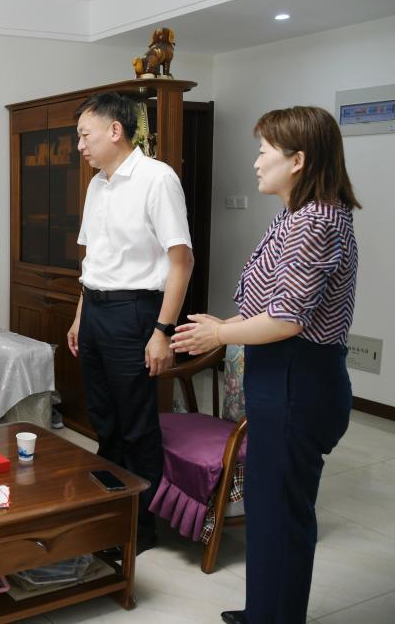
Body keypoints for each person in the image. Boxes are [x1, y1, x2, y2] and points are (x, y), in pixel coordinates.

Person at [170, 106, 360, 624]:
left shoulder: (316, 222)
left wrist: (218, 334)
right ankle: (263, 612)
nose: (256, 162)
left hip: (299, 376)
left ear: (298, 160)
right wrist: (226, 324)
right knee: (269, 507)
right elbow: (270, 305)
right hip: (284, 374)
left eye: (264, 151)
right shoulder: (298, 215)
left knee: (282, 513)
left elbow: (286, 320)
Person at [66, 92, 194, 555]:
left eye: (85, 135)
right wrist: (80, 316)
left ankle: (141, 528)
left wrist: (162, 332)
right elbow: (95, 259)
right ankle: (112, 511)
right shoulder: (97, 185)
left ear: (115, 131)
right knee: (104, 419)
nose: (80, 145)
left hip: (136, 312)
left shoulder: (157, 179)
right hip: (97, 311)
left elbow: (181, 261)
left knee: (136, 424)